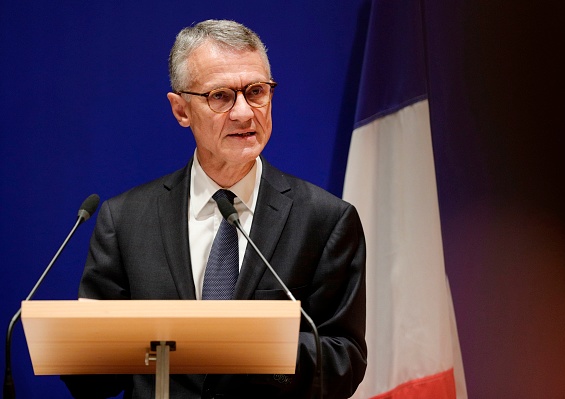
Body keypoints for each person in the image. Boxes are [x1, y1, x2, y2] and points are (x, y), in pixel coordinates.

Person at [61, 19, 366, 399]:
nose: (244, 113)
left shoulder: (326, 220)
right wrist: (78, 354)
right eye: (220, 96)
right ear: (181, 110)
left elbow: (344, 361)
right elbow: (92, 376)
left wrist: (251, 345)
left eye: (256, 91)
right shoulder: (123, 220)